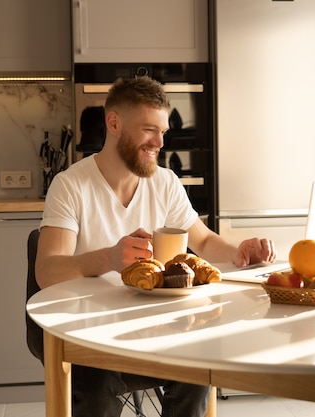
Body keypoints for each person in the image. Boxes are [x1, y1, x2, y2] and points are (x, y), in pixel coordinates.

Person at [32, 76, 277, 417]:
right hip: (87, 330)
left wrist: (239, 251)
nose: (160, 142)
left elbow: (203, 240)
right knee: (96, 386)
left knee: (197, 368)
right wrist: (109, 257)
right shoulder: (71, 185)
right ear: (114, 123)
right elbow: (47, 270)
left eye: (163, 131)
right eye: (149, 129)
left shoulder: (165, 183)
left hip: (154, 323)